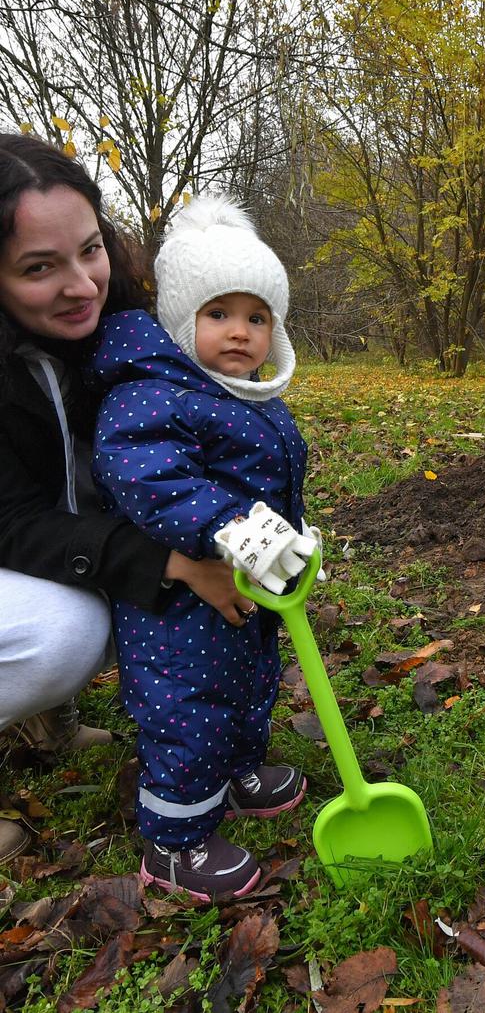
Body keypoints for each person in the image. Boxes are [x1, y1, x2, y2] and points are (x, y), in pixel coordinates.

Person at [0, 135, 254, 866]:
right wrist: (167, 562)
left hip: (35, 534)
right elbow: (11, 522)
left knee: (106, 589)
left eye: (89, 249)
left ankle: (43, 718)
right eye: (39, 267)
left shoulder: (114, 332)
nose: (83, 284)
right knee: (67, 630)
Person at [91, 196, 323, 900]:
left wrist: (289, 540)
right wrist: (233, 527)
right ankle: (176, 839)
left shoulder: (249, 396)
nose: (240, 333)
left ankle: (240, 769)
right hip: (179, 601)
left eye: (257, 318)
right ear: (180, 317)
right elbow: (148, 476)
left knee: (251, 680)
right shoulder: (152, 394)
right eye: (218, 313)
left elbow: (273, 479)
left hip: (248, 582)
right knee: (189, 706)